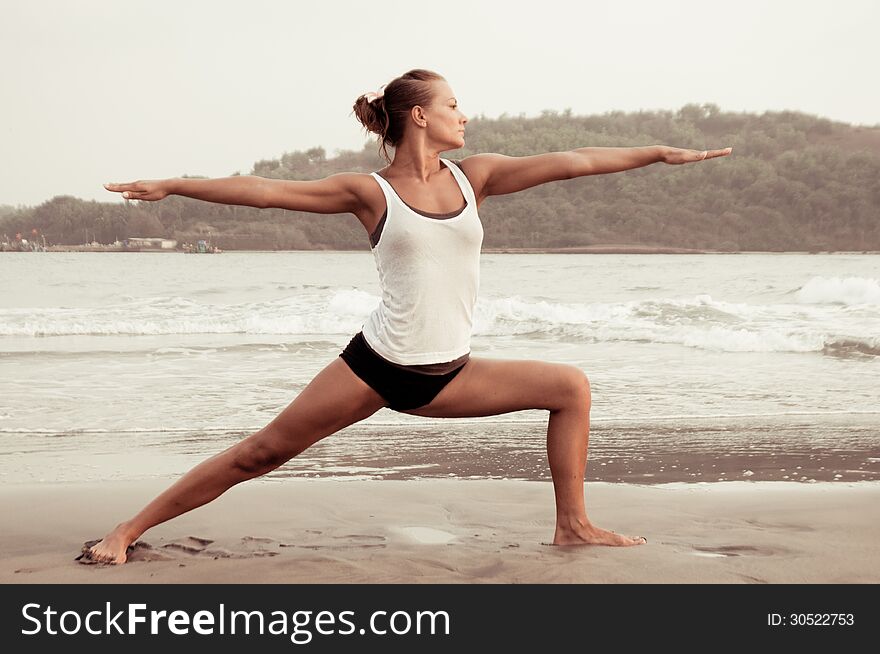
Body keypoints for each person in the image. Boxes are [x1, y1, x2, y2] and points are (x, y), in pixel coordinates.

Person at [87, 68, 732, 564]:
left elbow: (574, 163)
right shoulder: (371, 192)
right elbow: (265, 193)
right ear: (420, 116)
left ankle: (573, 524)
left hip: (448, 373)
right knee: (259, 454)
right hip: (376, 365)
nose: (465, 115)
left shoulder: (473, 178)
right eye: (453, 105)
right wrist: (175, 183)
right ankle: (127, 530)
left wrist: (655, 152)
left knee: (571, 388)